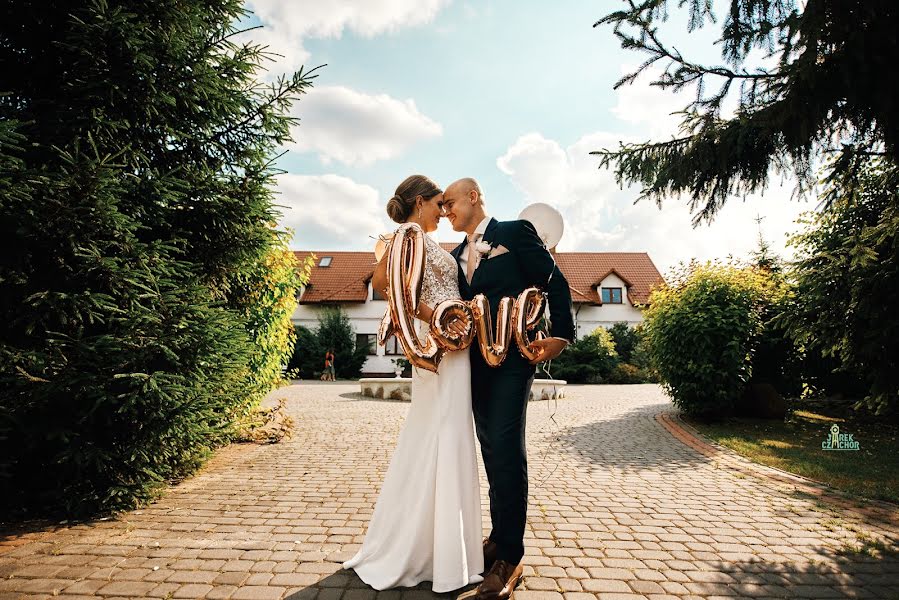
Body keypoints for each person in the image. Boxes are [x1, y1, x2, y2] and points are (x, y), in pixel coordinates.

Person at [342, 175, 484, 592]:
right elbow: (387, 286)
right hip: (440, 343)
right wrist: (437, 317)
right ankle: (434, 552)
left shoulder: (421, 239)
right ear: (420, 203)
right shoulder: (407, 235)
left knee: (442, 434)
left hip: (450, 343)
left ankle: (438, 546)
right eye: (439, 203)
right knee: (444, 432)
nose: (444, 210)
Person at [443, 177, 574, 599]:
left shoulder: (513, 233)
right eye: (441, 206)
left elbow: (554, 280)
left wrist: (562, 335)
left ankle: (510, 559)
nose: (445, 211)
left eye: (450, 203)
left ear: (473, 197)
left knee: (504, 445)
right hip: (475, 365)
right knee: (489, 447)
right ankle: (498, 539)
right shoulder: (457, 254)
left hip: (516, 358)